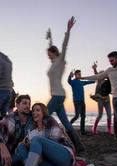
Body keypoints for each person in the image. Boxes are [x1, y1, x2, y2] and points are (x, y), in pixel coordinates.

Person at [8, 103, 75, 166]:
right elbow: (22, 148)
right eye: (33, 111)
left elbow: (56, 141)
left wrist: (40, 153)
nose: (34, 112)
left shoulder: (50, 121)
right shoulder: (32, 133)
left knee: (36, 140)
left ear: (43, 112)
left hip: (64, 160)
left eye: (38, 110)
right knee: (21, 146)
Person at [45, 16, 84, 153]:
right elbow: (52, 47)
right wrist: (50, 38)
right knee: (66, 123)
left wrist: (68, 30)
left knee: (43, 116)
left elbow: (63, 46)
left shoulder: (60, 61)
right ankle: (79, 146)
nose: (48, 56)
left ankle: (45, 139)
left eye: (49, 54)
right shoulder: (54, 63)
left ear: (54, 53)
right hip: (58, 95)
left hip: (57, 95)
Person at [67, 69, 95, 135]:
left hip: (82, 101)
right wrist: (70, 76)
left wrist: (96, 79)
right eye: (78, 74)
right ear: (75, 75)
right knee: (76, 116)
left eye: (80, 74)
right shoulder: (73, 82)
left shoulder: (81, 82)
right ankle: (68, 126)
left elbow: (89, 82)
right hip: (76, 101)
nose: (79, 75)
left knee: (83, 116)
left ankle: (82, 131)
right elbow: (68, 81)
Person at [90, 62, 112, 135]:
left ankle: (109, 130)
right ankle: (94, 128)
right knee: (100, 115)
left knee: (109, 115)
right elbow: (97, 75)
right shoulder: (98, 83)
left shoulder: (107, 82)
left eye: (104, 74)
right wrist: (95, 69)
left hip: (107, 100)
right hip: (100, 101)